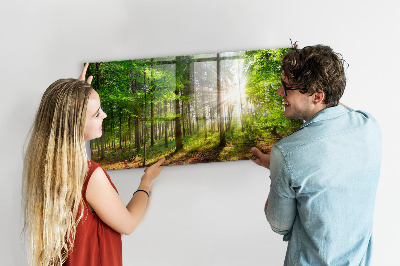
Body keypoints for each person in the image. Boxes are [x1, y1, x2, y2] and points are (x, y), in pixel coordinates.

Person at [22, 63, 165, 266]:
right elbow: (128, 223)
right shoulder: (89, 176)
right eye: (97, 114)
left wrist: (76, 96)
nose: (104, 115)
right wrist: (146, 182)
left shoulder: (45, 167)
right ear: (75, 124)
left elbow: (64, 118)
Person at [251, 44, 381, 265]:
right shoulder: (369, 125)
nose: (280, 92)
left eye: (287, 87)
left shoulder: (286, 153)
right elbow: (335, 109)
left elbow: (279, 224)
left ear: (317, 96)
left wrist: (277, 168)